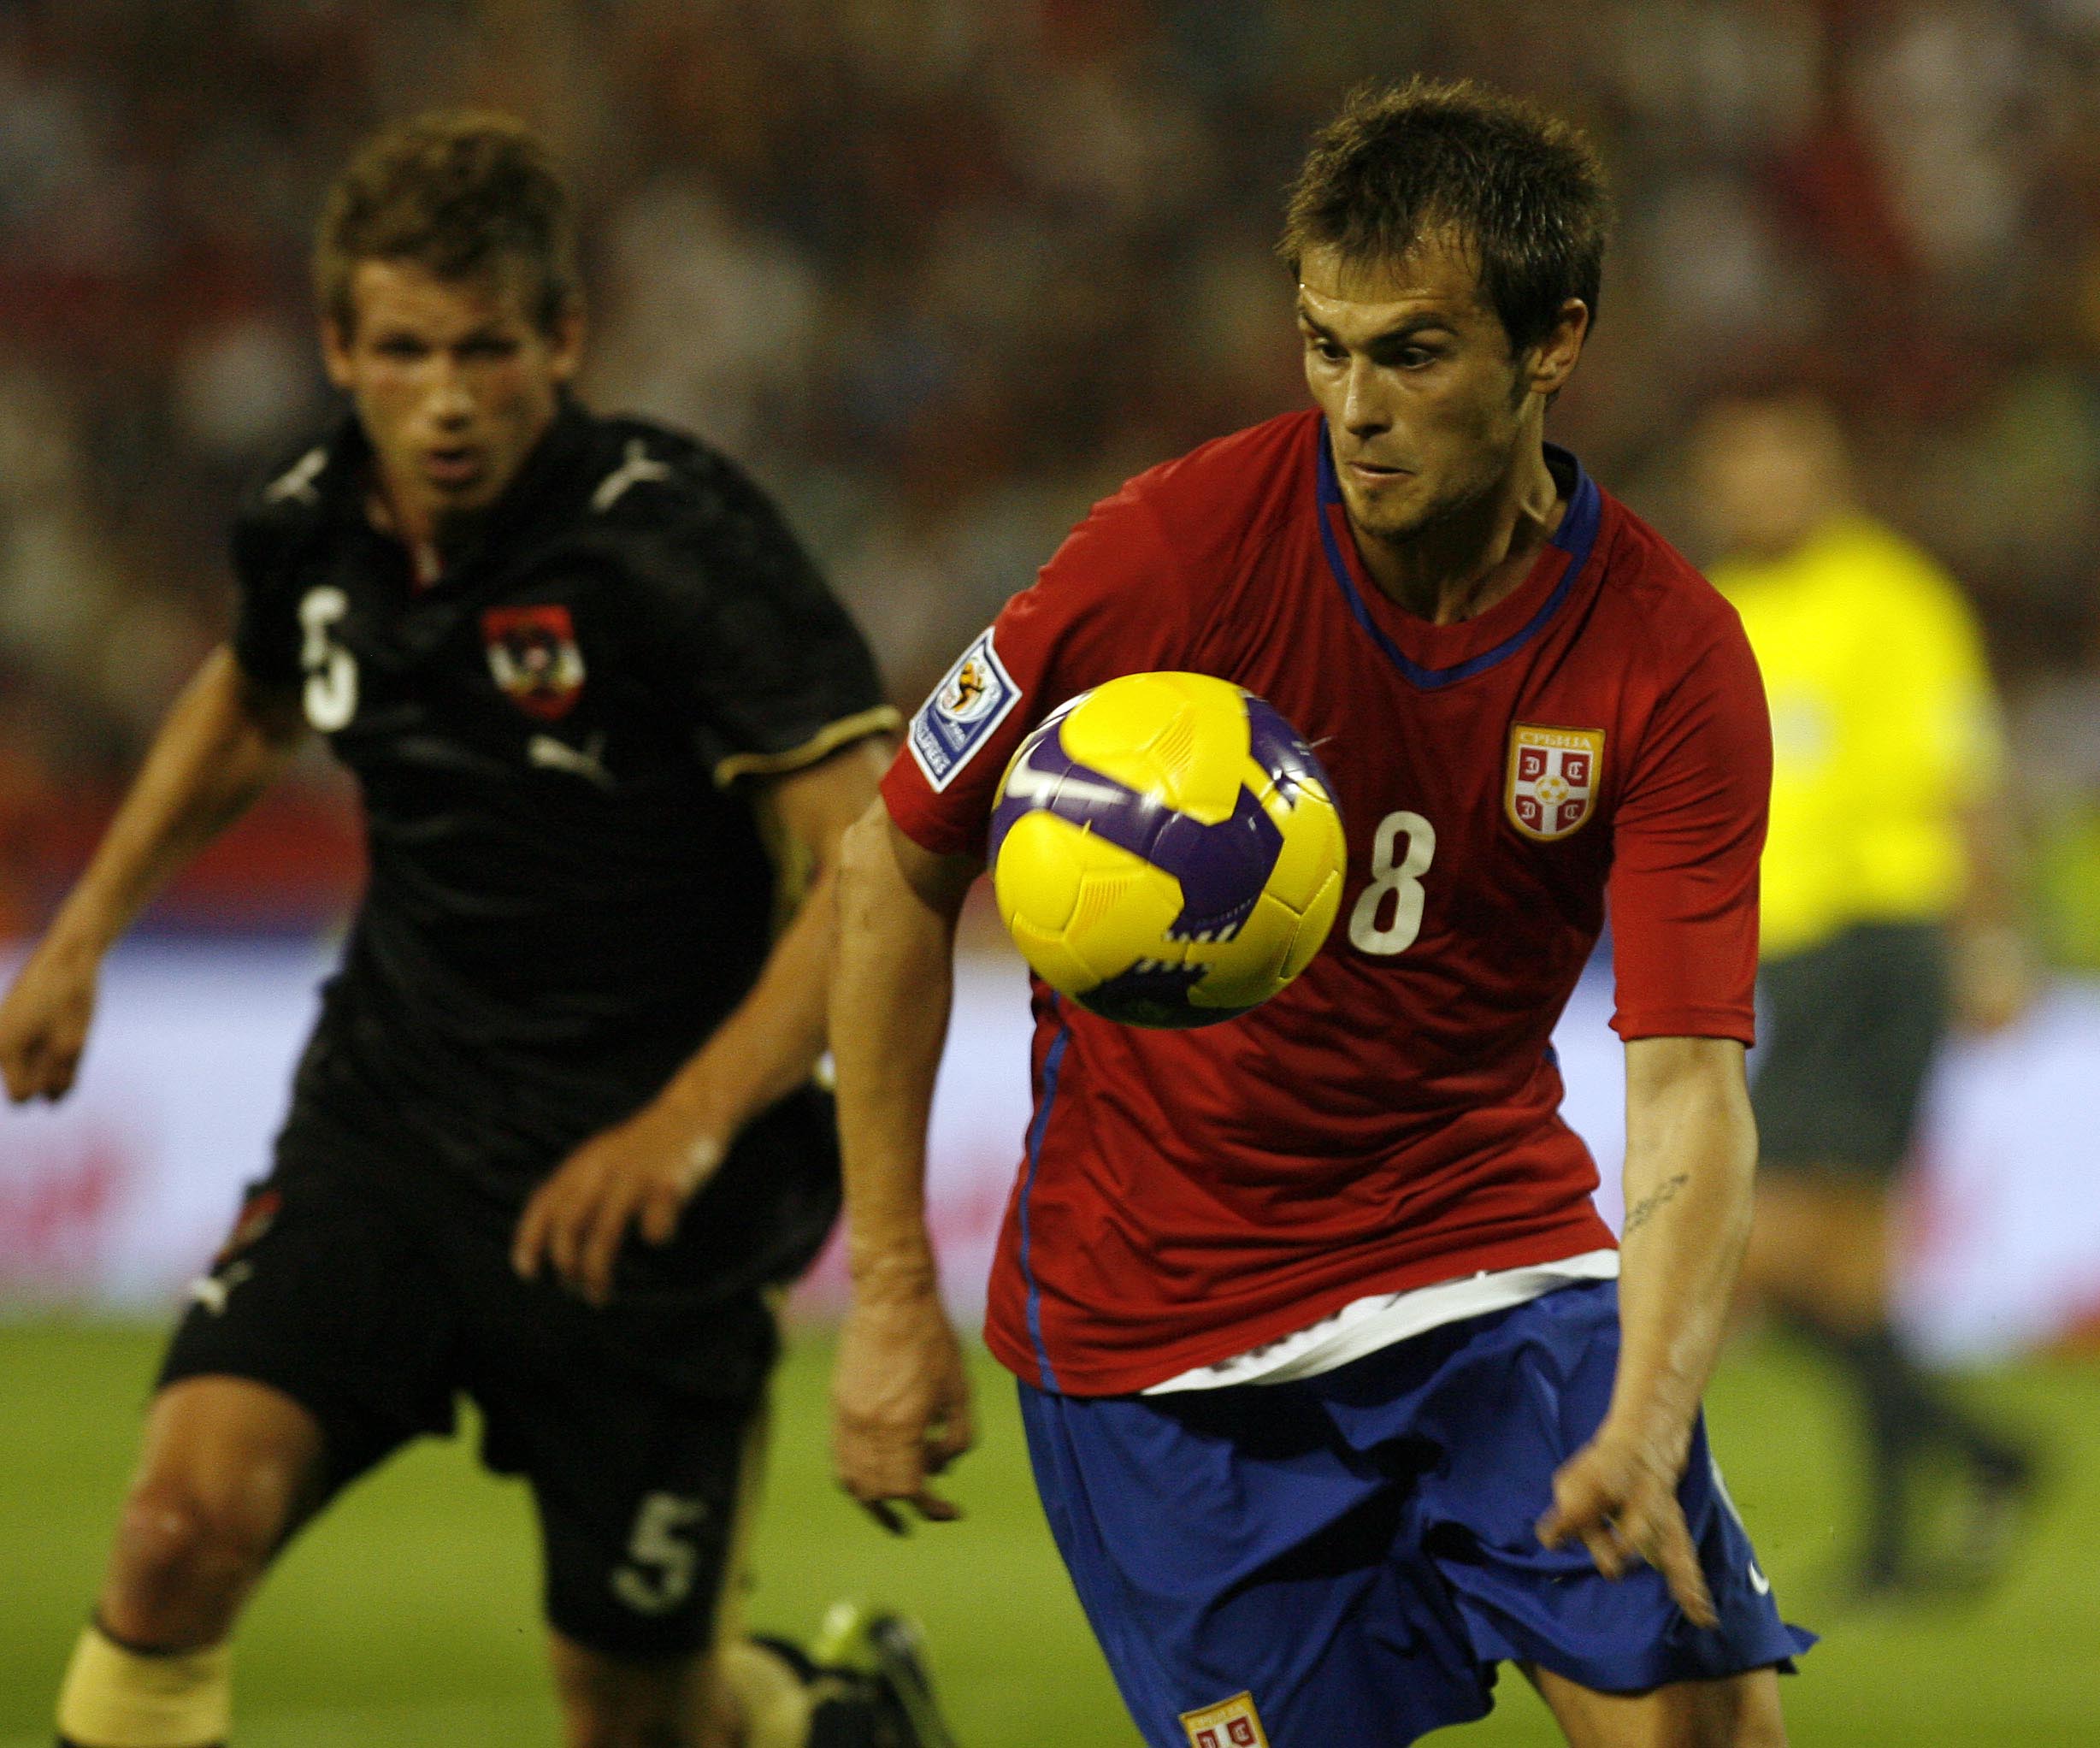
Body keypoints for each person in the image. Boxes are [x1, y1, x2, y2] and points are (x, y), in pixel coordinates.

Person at [828, 79, 1813, 1748]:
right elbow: (895, 857)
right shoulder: (1170, 556)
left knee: (1701, 1729)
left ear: (1550, 341)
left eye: (1412, 353)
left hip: (1482, 1259)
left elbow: (1686, 1079)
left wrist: (1648, 1410)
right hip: (1159, 1322)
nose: (1355, 405)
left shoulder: (1666, 650)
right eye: (1324, 346)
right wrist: (884, 1284)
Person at [0, 111, 953, 1748]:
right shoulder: (309, 525)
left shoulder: (675, 539)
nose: (446, 397)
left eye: (487, 350)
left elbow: (879, 868)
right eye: (405, 351)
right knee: (169, 1543)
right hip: (394, 1131)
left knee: (642, 1719)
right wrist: (84, 931)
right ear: (339, 347)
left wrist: (685, 1121)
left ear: (563, 340)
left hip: (653, 1203)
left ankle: (831, 1719)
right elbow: (248, 696)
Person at [1690, 389, 2038, 1599]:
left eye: (1782, 459)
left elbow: (1968, 776)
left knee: (1767, 1243)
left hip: (1882, 944)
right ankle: (1951, 1493)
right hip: (1788, 957)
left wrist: (1992, 941)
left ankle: (1974, 1468)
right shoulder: (1722, 607)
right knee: (1847, 1263)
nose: (1760, 486)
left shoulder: (1895, 597)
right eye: (1740, 464)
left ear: (1824, 468)